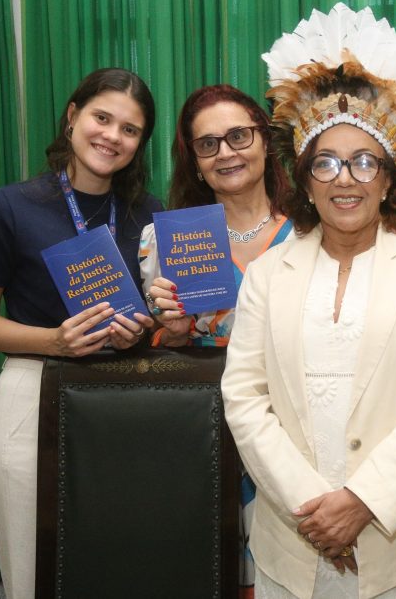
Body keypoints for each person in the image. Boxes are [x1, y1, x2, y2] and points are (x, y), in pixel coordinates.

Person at [222, 4, 396, 598]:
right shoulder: (267, 274)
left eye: (365, 162)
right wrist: (314, 510)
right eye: (327, 163)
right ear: (307, 182)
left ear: (390, 179)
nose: (346, 178)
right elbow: (243, 397)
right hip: (295, 538)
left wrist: (364, 502)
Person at [0, 68, 161, 599]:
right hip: (34, 390)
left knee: (116, 557)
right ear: (72, 117)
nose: (112, 136)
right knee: (31, 561)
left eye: (130, 129)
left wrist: (150, 326)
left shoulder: (151, 214)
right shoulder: (8, 208)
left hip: (126, 395)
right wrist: (53, 341)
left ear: (140, 144)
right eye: (102, 117)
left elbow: (165, 312)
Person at [137, 84, 293, 595]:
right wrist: (173, 329)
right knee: (213, 567)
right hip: (206, 425)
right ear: (195, 162)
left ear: (265, 142)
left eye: (238, 136)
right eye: (208, 144)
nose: (226, 152)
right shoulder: (166, 242)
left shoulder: (315, 232)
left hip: (292, 424)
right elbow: (161, 344)